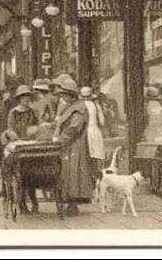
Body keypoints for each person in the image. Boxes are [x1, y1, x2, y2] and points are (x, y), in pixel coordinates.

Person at [50, 74, 94, 216]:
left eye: (64, 95)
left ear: (70, 95)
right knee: (67, 173)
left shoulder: (79, 108)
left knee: (74, 174)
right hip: (68, 145)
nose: (62, 97)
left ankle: (73, 204)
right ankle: (68, 201)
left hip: (75, 145)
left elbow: (74, 128)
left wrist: (60, 139)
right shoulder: (70, 106)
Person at [80, 86, 107, 181]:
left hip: (85, 132)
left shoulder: (81, 106)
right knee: (96, 157)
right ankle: (98, 179)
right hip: (95, 131)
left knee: (85, 157)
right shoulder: (96, 105)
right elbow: (102, 122)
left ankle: (87, 180)